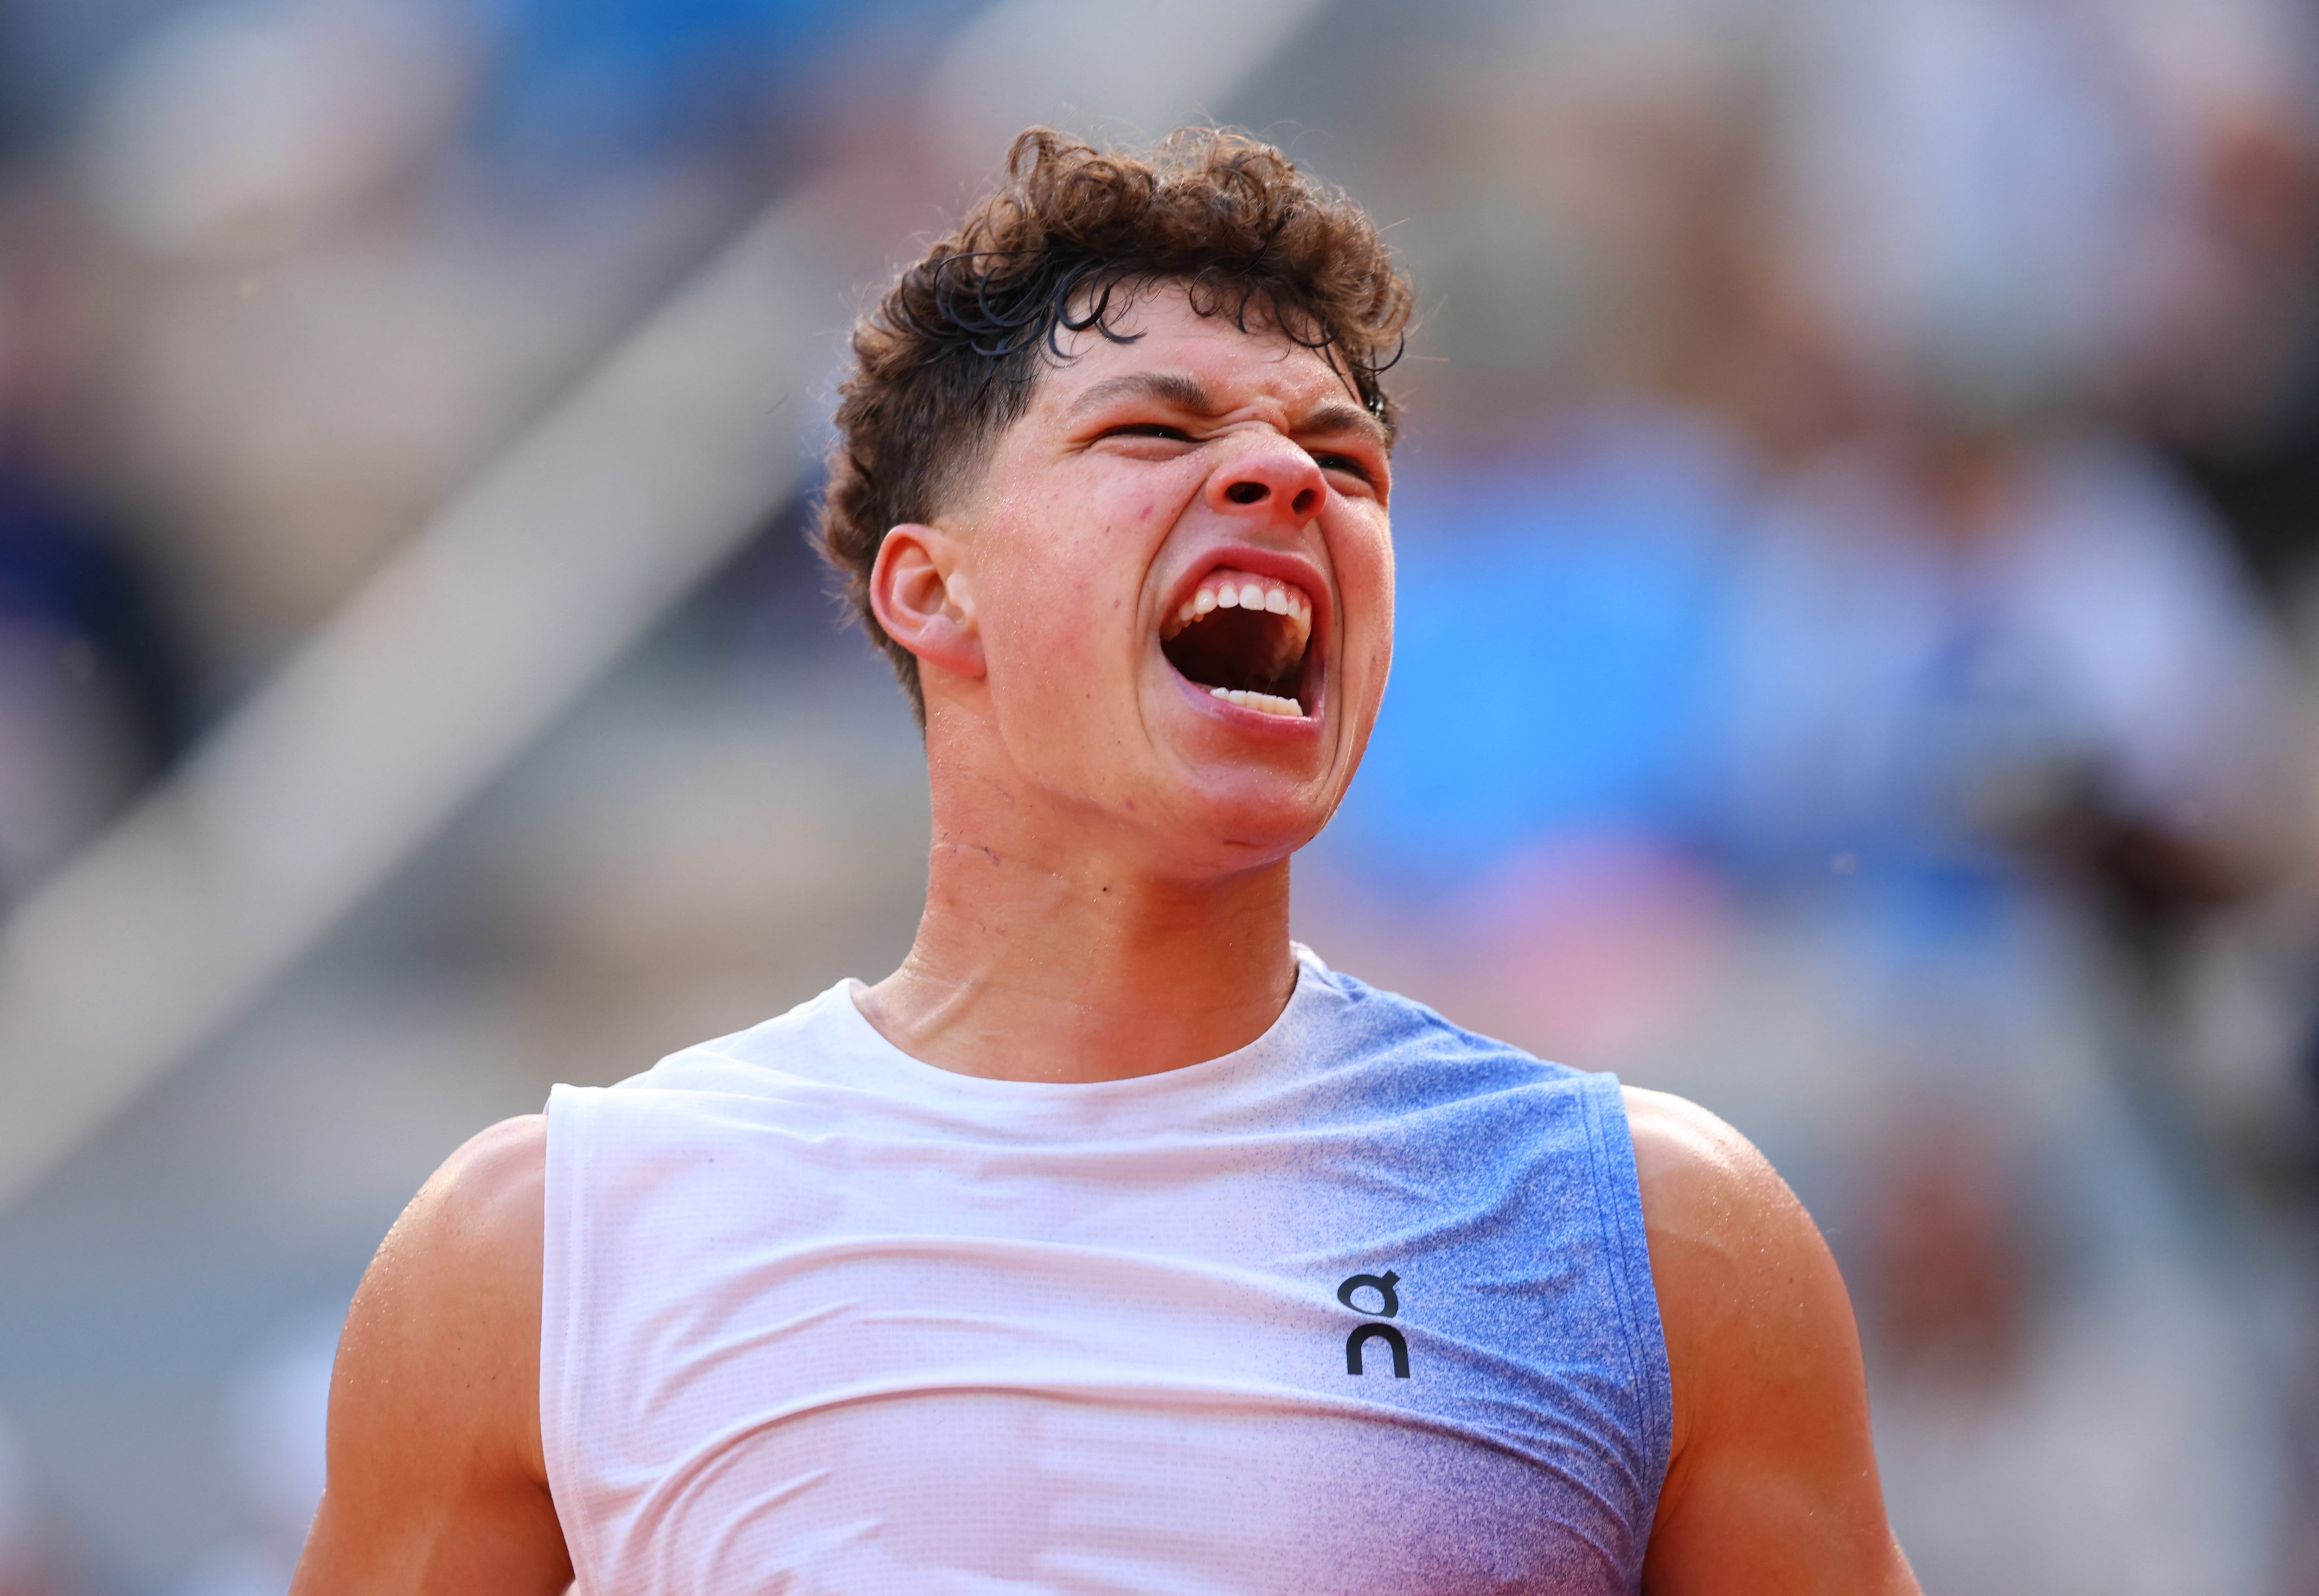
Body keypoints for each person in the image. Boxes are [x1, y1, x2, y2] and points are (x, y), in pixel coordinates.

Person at [290, 128, 1918, 1594]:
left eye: (1344, 463)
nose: (1287, 478)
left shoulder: (1653, 1239)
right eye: (1156, 429)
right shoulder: (546, 1250)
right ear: (932, 592)